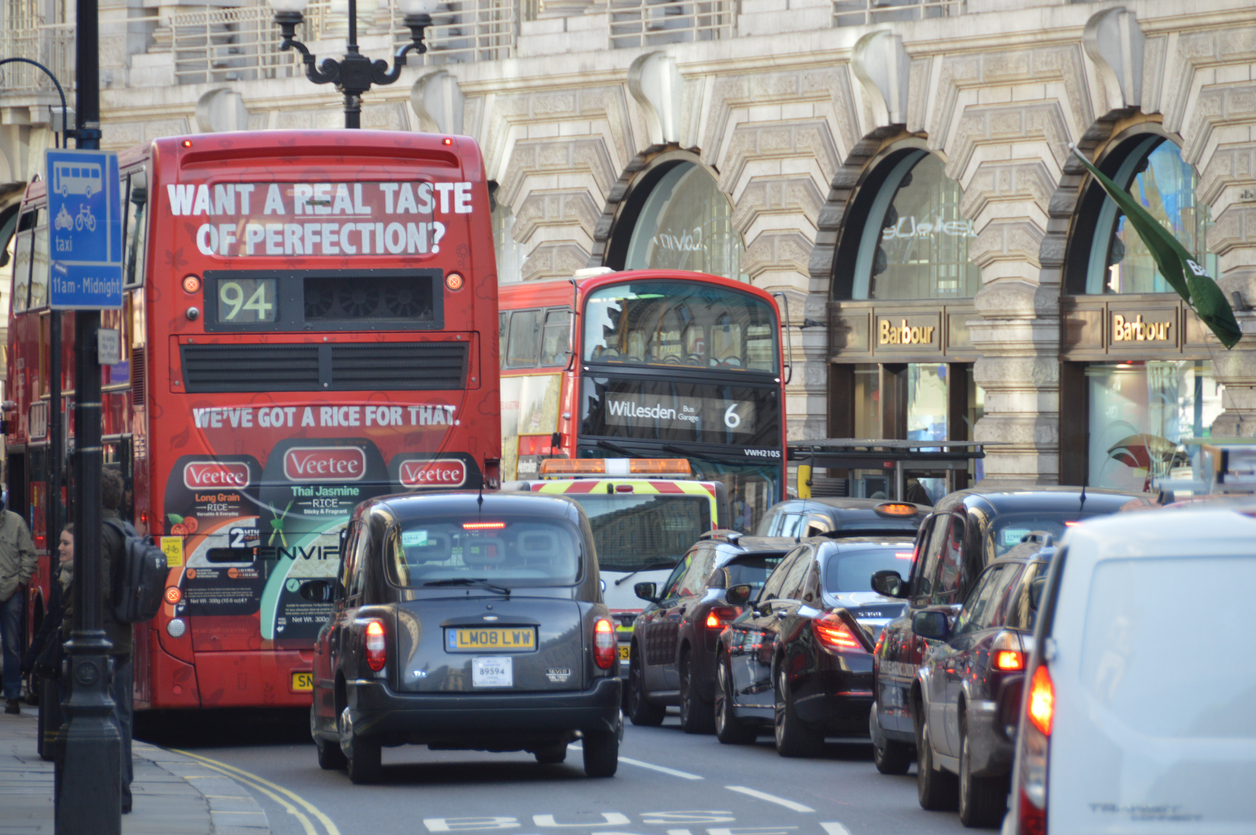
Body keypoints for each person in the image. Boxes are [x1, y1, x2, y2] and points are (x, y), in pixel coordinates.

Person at [61, 469, 133, 812]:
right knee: (121, 716)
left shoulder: (99, 532)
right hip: (120, 637)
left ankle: (113, 792)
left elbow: (99, 589)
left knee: (107, 716)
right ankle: (121, 790)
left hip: (102, 638)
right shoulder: (124, 527)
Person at [0, 495, 36, 715]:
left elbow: (29, 555)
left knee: (11, 645)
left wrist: (20, 583)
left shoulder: (15, 522)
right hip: (13, 588)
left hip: (11, 591)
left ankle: (12, 696)